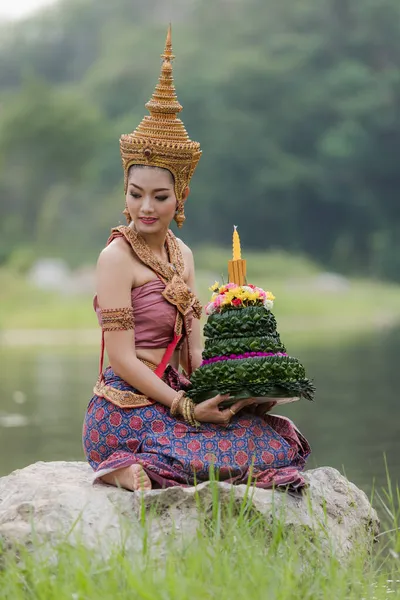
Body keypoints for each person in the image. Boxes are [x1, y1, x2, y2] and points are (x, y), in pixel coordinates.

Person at [82, 27, 310, 492]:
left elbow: (194, 353)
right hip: (126, 407)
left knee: (273, 439)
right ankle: (122, 466)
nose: (145, 207)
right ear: (124, 194)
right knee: (209, 451)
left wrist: (237, 391)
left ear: (180, 196)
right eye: (135, 193)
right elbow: (124, 360)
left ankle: (158, 462)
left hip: (174, 392)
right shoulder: (115, 258)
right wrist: (186, 408)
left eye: (159, 196)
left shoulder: (181, 254)